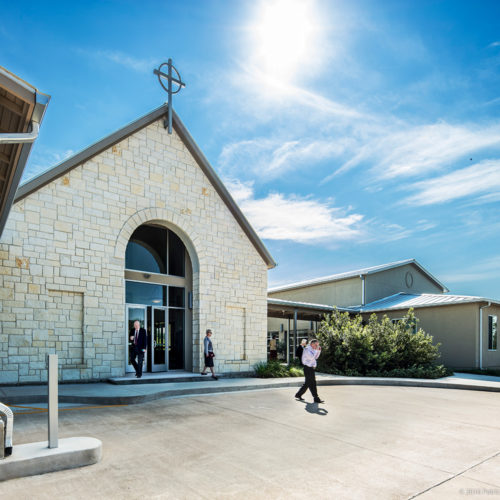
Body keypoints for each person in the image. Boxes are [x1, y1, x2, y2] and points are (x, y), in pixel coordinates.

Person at [295, 339, 324, 403]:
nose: (317, 346)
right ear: (312, 344)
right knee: (310, 383)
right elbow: (311, 357)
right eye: (316, 344)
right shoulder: (307, 349)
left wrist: (318, 351)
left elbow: (316, 357)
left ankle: (299, 395)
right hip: (307, 368)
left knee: (309, 383)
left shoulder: (313, 349)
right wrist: (316, 350)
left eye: (317, 345)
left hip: (311, 368)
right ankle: (315, 398)